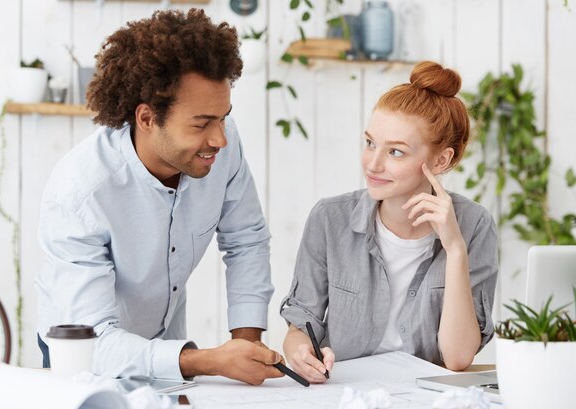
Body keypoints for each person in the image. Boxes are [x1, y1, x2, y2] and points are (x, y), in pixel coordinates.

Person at [35, 9, 284, 385]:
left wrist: (246, 346)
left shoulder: (222, 147)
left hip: (166, 347)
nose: (220, 139)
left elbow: (246, 240)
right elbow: (94, 343)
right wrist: (209, 361)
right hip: (85, 357)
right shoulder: (81, 194)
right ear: (147, 118)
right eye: (202, 123)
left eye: (223, 117)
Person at [280, 61, 498, 383]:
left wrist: (454, 249)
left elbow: (457, 358)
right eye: (370, 143)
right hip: (342, 397)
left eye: (396, 152)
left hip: (424, 403)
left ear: (441, 160)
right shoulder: (329, 219)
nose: (373, 164)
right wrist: (300, 352)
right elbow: (300, 327)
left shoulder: (475, 226)